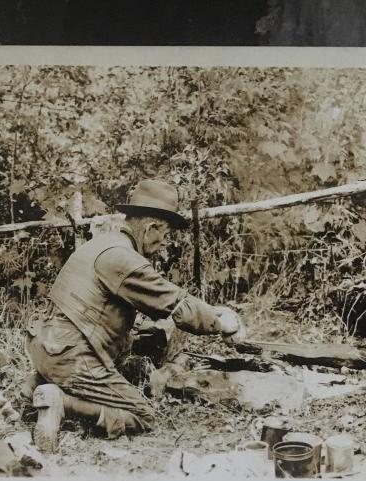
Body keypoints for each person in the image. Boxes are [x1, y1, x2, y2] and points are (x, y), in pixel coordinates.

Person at [23, 179, 246, 452]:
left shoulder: (103, 243)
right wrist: (221, 321)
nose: (165, 243)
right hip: (71, 357)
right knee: (143, 416)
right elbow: (174, 303)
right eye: (165, 235)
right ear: (151, 227)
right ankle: (62, 402)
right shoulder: (123, 259)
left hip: (44, 346)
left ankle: (32, 390)